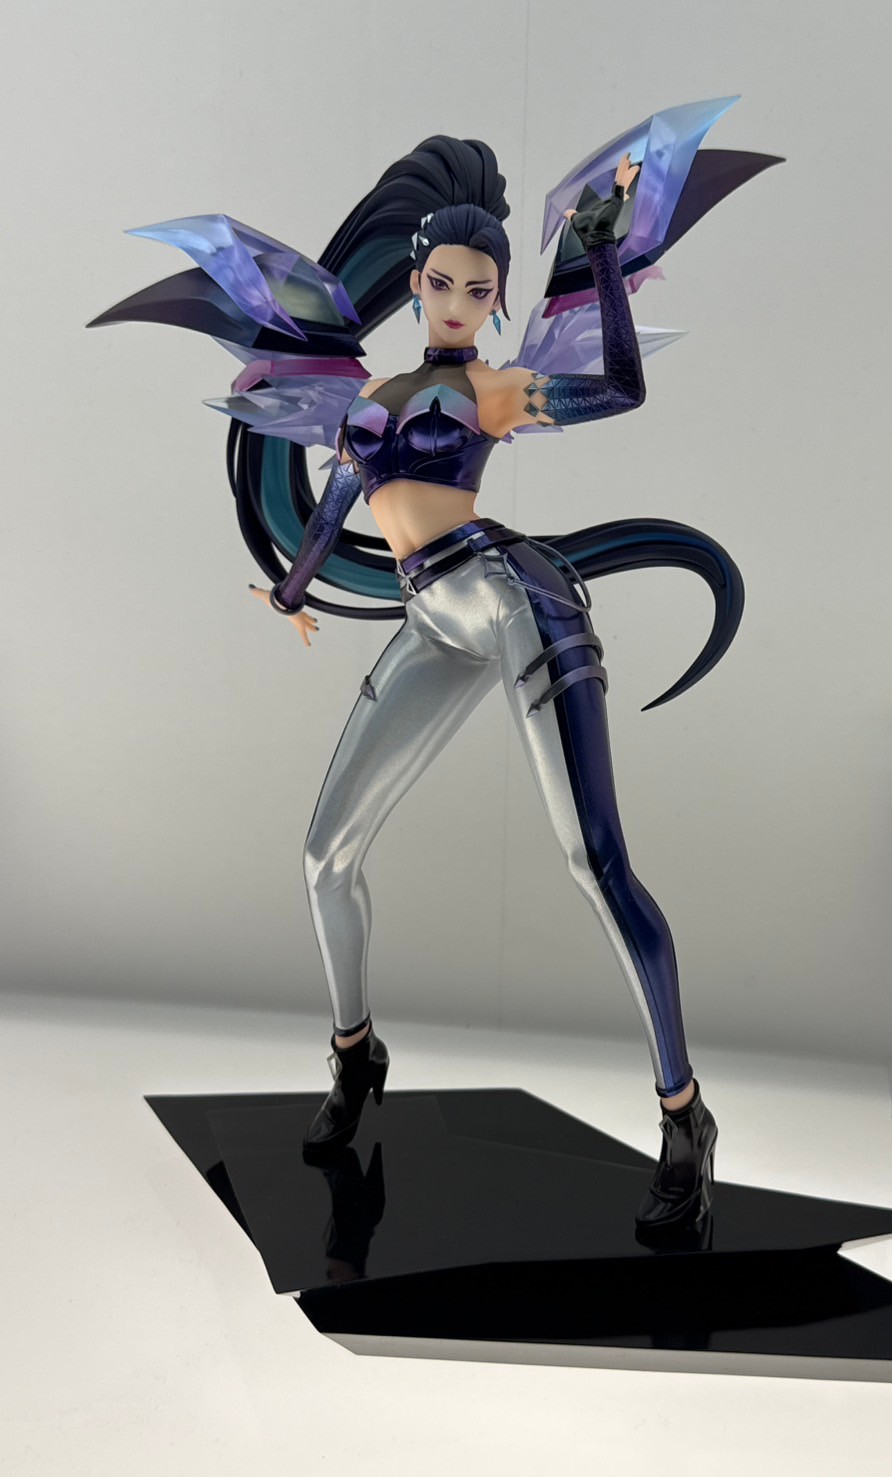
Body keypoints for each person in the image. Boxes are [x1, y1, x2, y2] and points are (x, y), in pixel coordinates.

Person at [89, 109, 779, 1237]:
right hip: (432, 620)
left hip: (516, 604)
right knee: (324, 855)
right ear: (417, 285)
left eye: (479, 290)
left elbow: (620, 389)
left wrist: (604, 261)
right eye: (443, 284)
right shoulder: (364, 402)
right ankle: (356, 1053)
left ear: (496, 301)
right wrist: (292, 590)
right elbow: (339, 506)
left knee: (595, 862)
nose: (458, 303)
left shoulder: (494, 390)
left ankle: (682, 1112)